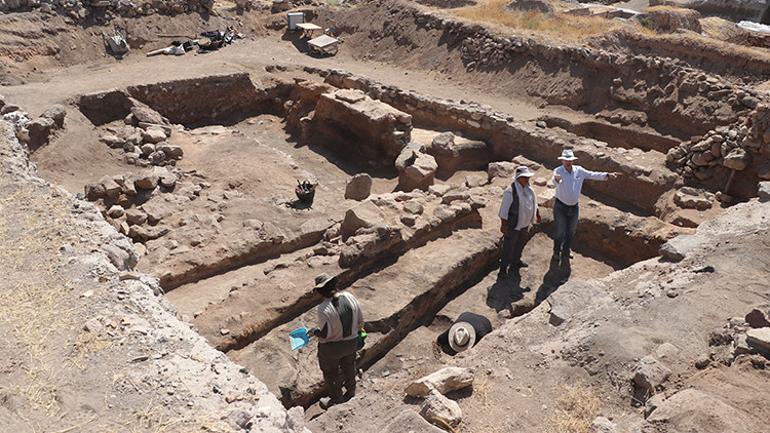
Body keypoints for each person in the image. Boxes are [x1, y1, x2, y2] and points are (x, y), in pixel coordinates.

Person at [552, 149, 621, 267]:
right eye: (566, 160)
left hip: (574, 207)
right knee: (560, 231)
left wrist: (608, 175)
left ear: (573, 160)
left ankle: (566, 250)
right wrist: (556, 180)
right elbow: (554, 180)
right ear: (562, 160)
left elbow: (592, 174)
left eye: (570, 160)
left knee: (571, 231)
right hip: (561, 206)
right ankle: (556, 252)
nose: (568, 162)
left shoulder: (579, 170)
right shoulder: (558, 171)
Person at [309, 273, 364, 409]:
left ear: (320, 291)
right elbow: (360, 321)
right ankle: (351, 392)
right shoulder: (350, 297)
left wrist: (314, 331)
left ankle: (336, 399)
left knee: (331, 372)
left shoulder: (323, 309)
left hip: (332, 349)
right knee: (349, 366)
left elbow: (325, 335)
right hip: (352, 343)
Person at [498, 165, 541, 277]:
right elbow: (504, 210)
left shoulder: (528, 188)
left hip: (524, 223)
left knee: (520, 244)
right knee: (508, 247)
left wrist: (537, 213)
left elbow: (533, 202)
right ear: (518, 178)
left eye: (528, 177)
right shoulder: (510, 191)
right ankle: (503, 270)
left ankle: (515, 262)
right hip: (514, 224)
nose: (527, 179)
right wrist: (504, 225)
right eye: (524, 177)